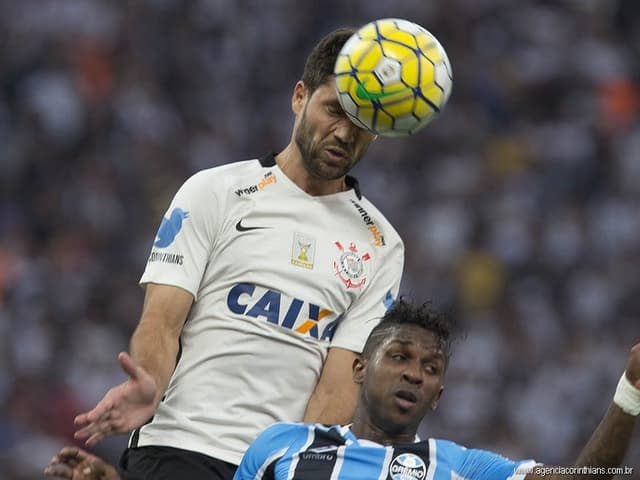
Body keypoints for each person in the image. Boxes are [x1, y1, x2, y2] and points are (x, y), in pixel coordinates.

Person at [70, 25, 405, 480]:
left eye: (362, 124)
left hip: (273, 466)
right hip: (181, 445)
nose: (345, 133)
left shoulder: (381, 245)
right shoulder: (215, 191)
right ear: (299, 97)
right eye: (333, 110)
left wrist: (289, 468)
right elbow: (162, 323)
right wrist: (148, 380)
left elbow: (338, 387)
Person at [47, 298, 639, 480]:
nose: (415, 372)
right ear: (360, 368)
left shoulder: (456, 466)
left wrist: (631, 392)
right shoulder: (280, 447)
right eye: (400, 356)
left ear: (439, 396)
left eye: (430, 369)